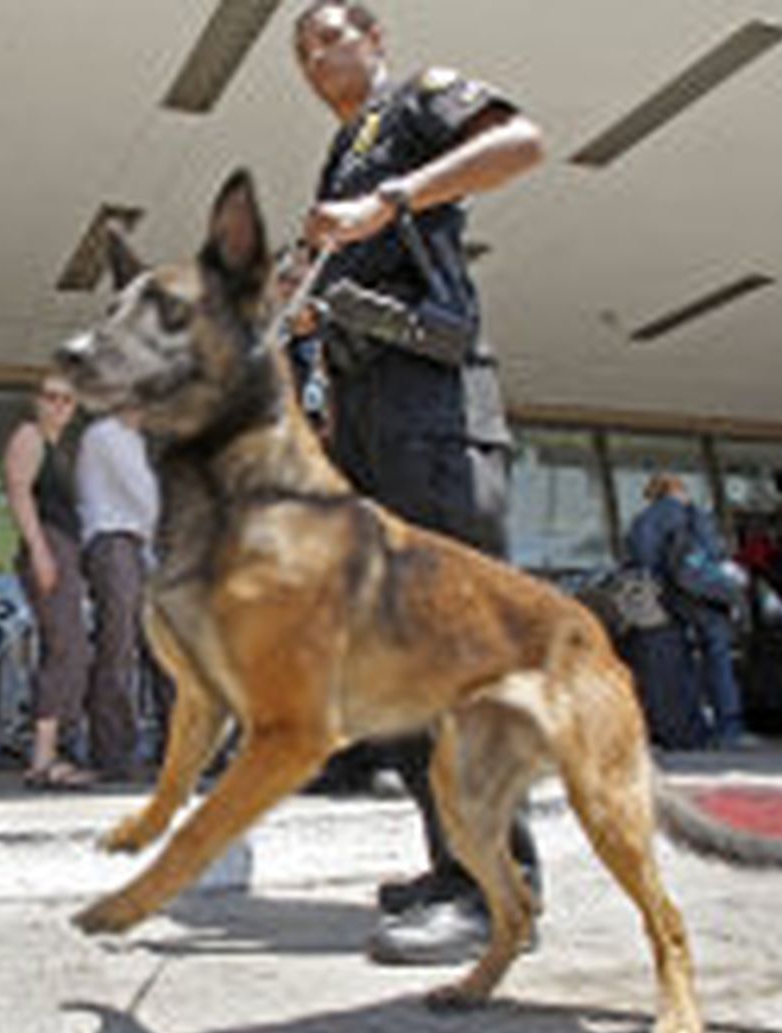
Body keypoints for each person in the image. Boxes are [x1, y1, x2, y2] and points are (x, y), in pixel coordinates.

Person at [290, 0, 546, 964]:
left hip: (436, 420)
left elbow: (521, 142)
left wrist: (390, 201)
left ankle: (494, 891)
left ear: (375, 38)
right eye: (303, 50)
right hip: (369, 426)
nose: (316, 57)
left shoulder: (415, 108)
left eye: (330, 36)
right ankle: (454, 863)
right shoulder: (341, 152)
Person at [3, 374, 95, 789]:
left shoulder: (58, 448)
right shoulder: (29, 435)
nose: (59, 405)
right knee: (65, 648)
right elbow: (19, 492)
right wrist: (40, 551)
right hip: (48, 549)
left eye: (67, 400)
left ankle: (50, 752)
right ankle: (42, 759)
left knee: (69, 648)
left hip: (63, 550)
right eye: (51, 397)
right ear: (36, 402)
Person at [626, 473, 748, 749]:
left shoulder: (644, 519)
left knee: (678, 661)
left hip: (669, 598)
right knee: (717, 657)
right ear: (679, 490)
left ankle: (689, 727)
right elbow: (715, 553)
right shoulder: (695, 514)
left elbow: (640, 558)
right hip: (705, 595)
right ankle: (728, 728)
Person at [76, 408, 159, 783]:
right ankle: (112, 755)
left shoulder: (134, 439)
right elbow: (145, 497)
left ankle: (175, 747)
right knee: (118, 649)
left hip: (135, 547)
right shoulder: (107, 434)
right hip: (113, 543)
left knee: (158, 651)